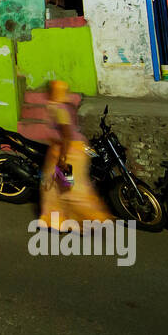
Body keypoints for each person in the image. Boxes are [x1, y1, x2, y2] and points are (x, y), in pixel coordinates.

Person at [36, 80, 113, 231]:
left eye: (50, 90)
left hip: (68, 152)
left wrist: (63, 159)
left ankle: (90, 220)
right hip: (77, 149)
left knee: (68, 188)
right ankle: (61, 221)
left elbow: (66, 135)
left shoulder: (59, 108)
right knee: (56, 187)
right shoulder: (68, 105)